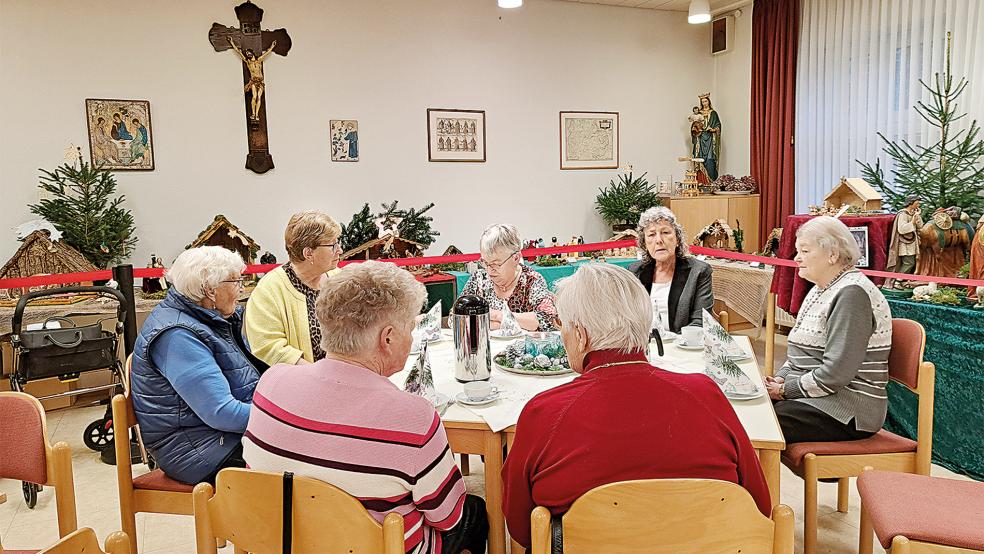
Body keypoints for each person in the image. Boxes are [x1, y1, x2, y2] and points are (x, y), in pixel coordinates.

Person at [501, 264, 770, 549]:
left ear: (580, 335)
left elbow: (521, 528)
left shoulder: (544, 412)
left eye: (562, 325)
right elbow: (760, 507)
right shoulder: (706, 395)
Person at [243, 261, 488, 554]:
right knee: (473, 511)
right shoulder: (413, 417)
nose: (412, 337)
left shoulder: (271, 382)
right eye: (411, 327)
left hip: (280, 542)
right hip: (379, 547)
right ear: (388, 339)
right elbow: (448, 518)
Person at [130, 246, 267, 485]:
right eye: (236, 281)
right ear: (209, 290)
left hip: (220, 437)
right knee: (307, 466)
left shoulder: (209, 318)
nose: (241, 289)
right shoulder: (177, 335)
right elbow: (221, 413)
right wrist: (282, 419)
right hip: (197, 451)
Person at [765, 216, 893, 444]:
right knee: (746, 408)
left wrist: (784, 391)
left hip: (847, 408)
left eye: (804, 251)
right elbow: (797, 358)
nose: (797, 259)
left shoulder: (851, 294)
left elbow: (836, 373)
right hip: (820, 399)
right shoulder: (821, 288)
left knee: (757, 422)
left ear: (832, 255)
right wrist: (776, 382)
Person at [246, 211, 342, 365]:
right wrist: (317, 376)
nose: (340, 250)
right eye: (332, 245)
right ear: (308, 253)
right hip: (301, 382)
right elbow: (268, 347)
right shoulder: (269, 289)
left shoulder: (338, 278)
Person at [628, 207, 713, 334]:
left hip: (682, 346)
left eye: (665, 232)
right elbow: (627, 317)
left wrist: (673, 345)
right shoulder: (635, 271)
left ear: (678, 239)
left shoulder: (699, 271)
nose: (659, 240)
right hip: (645, 344)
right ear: (644, 243)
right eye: (651, 234)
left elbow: (699, 322)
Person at [459, 224, 557, 331]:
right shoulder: (479, 279)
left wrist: (499, 316)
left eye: (496, 264)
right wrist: (503, 325)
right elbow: (455, 316)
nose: (489, 270)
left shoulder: (531, 280)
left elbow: (548, 320)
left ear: (516, 258)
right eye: (485, 263)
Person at [884, 195, 923, 288]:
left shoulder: (913, 213)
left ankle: (901, 280)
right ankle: (898, 280)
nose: (918, 205)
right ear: (911, 203)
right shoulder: (903, 214)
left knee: (910, 263)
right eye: (917, 203)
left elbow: (920, 225)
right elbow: (902, 229)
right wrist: (913, 222)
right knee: (909, 263)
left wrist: (917, 216)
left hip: (912, 243)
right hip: (905, 243)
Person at [693, 93, 722, 182]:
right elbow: (694, 126)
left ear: (709, 101)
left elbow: (718, 125)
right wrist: (695, 129)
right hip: (701, 138)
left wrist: (713, 129)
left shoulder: (713, 113)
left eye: (705, 101)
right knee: (700, 158)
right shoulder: (698, 114)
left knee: (710, 158)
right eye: (702, 102)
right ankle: (701, 182)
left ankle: (711, 181)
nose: (704, 103)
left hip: (710, 138)